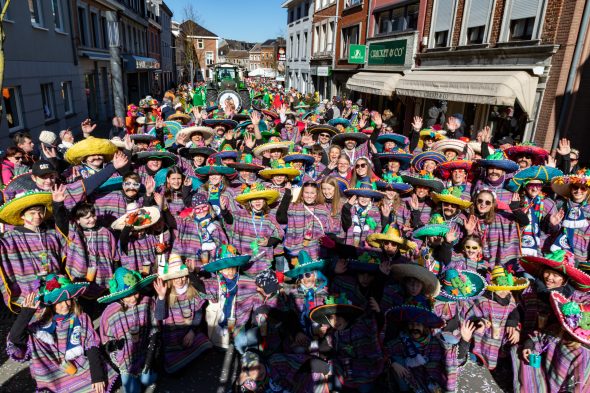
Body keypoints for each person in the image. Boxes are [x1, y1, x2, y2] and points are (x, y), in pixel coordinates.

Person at [8, 276, 116, 393]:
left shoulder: (81, 318)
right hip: (54, 378)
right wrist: (26, 314)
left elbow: (92, 347)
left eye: (67, 299)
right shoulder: (39, 329)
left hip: (82, 370)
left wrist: (97, 377)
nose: (65, 305)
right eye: (59, 301)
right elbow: (15, 338)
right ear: (50, 305)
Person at [98, 268, 158, 393]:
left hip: (144, 352)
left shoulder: (147, 302)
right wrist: (115, 348)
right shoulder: (109, 313)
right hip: (124, 360)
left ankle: (148, 379)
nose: (133, 298)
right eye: (128, 295)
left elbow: (155, 328)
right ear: (119, 296)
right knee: (132, 391)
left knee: (147, 380)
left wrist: (150, 358)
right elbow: (106, 342)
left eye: (135, 292)